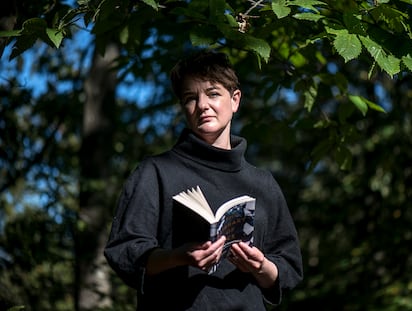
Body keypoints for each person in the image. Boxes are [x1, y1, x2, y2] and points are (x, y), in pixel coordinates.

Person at [104, 50, 303, 310]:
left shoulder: (262, 183)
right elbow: (125, 251)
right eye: (190, 98)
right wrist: (178, 257)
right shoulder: (156, 171)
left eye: (213, 93)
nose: (202, 105)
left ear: (235, 100)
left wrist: (260, 266)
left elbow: (288, 269)